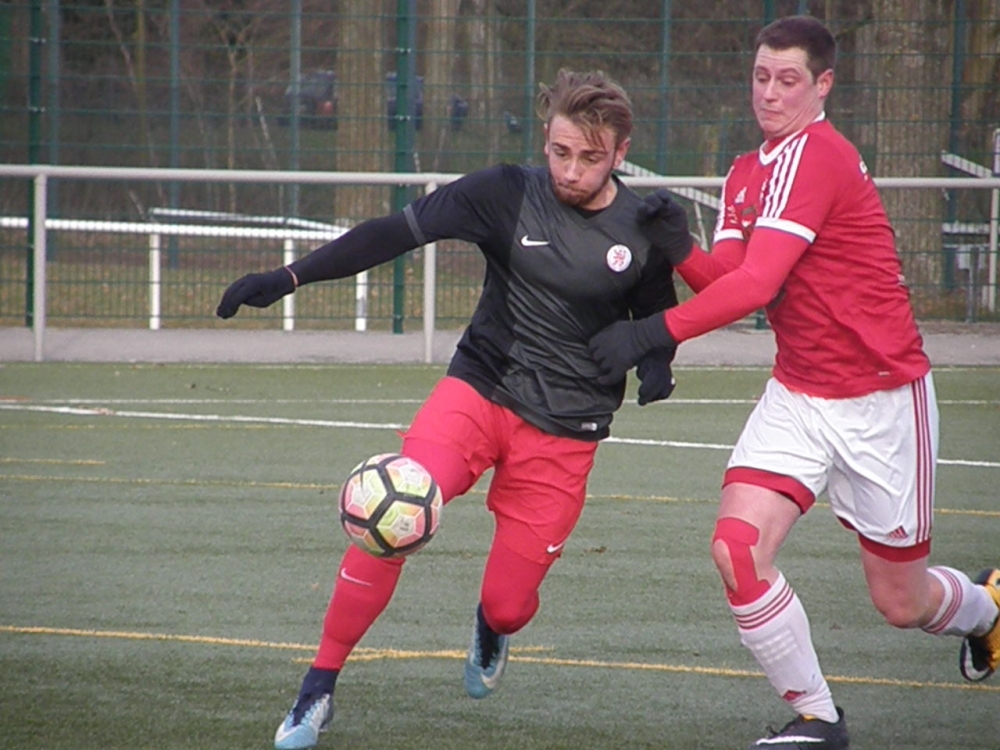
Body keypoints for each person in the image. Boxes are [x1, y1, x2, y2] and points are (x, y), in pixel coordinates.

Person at [216, 68, 689, 750]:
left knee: (510, 604)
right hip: (479, 391)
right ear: (545, 139)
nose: (571, 170)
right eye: (560, 151)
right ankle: (317, 687)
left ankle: (492, 627)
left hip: (567, 429)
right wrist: (288, 276)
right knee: (390, 513)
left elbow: (656, 311)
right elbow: (391, 234)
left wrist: (657, 362)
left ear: (621, 152)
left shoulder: (643, 226)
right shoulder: (505, 192)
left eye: (590, 157)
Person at [586, 15, 1000, 750]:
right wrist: (681, 247)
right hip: (799, 394)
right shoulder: (748, 170)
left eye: (787, 80)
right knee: (736, 547)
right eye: (760, 77)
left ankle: (987, 610)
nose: (769, 93)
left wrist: (650, 335)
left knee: (901, 603)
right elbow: (733, 278)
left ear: (823, 84)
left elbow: (757, 286)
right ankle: (818, 718)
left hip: (881, 401)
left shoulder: (821, 157)